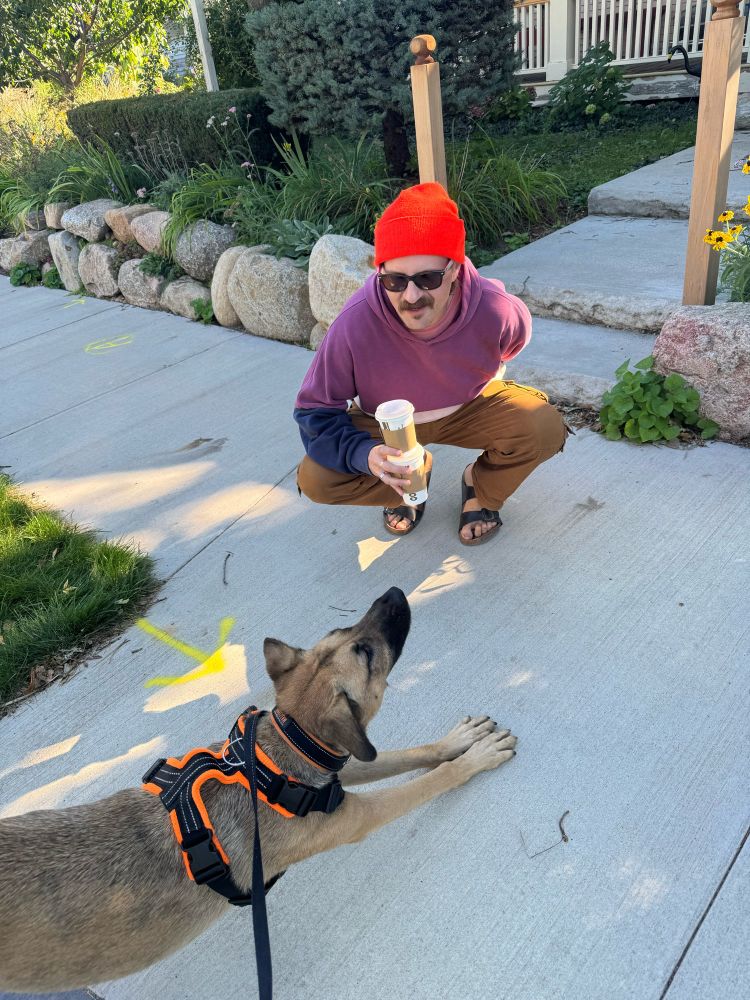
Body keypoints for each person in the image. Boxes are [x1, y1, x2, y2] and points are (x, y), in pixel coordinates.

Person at [294, 182, 567, 546]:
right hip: (389, 427)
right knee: (317, 478)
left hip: (469, 408)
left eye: (427, 278)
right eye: (394, 280)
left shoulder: (495, 308)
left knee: (543, 426)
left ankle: (480, 490)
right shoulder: (354, 324)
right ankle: (409, 486)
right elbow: (314, 411)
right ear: (382, 273)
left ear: (453, 269)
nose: (411, 296)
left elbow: (513, 342)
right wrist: (367, 455)